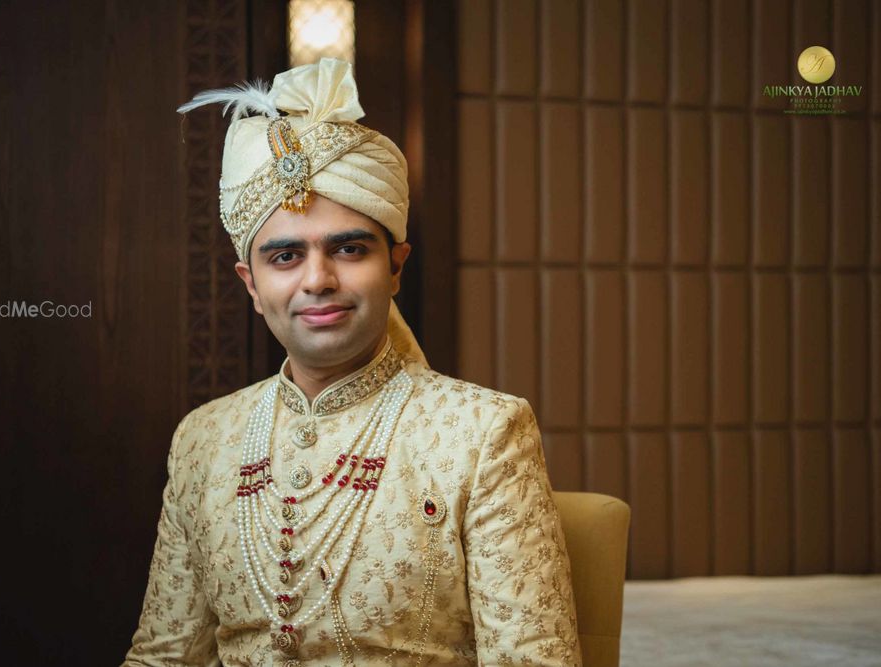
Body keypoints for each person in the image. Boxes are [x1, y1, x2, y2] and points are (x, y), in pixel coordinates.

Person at [122, 58, 581, 667]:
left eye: (349, 248)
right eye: (284, 256)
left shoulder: (482, 434)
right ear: (251, 285)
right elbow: (163, 657)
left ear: (395, 266)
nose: (318, 279)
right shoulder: (205, 439)